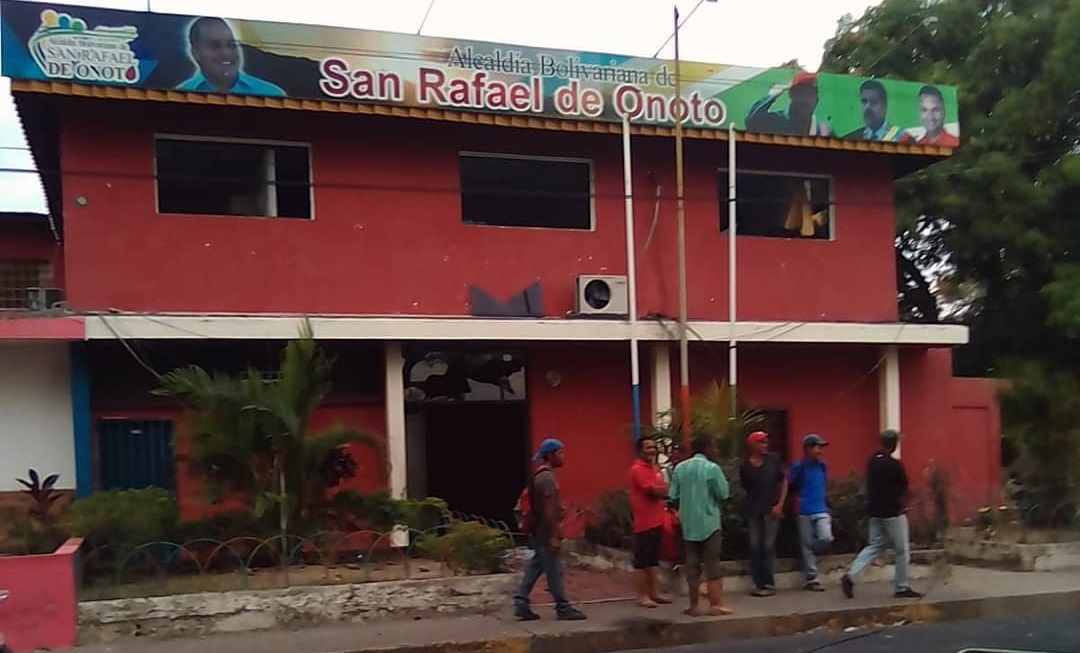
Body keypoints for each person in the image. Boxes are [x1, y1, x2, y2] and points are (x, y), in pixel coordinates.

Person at [841, 430, 924, 599]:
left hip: (875, 511)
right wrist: (905, 503)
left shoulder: (872, 461)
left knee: (874, 545)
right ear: (894, 444)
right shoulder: (894, 465)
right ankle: (901, 587)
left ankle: (851, 575)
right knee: (902, 550)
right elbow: (904, 487)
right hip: (893, 512)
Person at [512, 439, 587, 621]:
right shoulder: (547, 478)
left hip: (539, 531)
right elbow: (548, 509)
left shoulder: (540, 475)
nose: (563, 456)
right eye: (560, 452)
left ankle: (521, 602)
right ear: (551, 454)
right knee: (554, 570)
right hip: (546, 532)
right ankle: (563, 607)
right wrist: (554, 534)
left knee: (536, 565)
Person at [668, 433, 732, 617]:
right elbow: (723, 493)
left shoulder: (680, 469)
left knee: (691, 566)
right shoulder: (712, 468)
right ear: (707, 448)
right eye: (713, 446)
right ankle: (715, 605)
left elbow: (672, 496)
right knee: (712, 564)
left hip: (688, 524)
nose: (715, 450)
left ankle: (694, 606)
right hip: (709, 521)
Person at [177, 17, 286, 96]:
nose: (226, 53)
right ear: (195, 53)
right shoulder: (182, 94)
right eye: (215, 46)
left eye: (231, 45)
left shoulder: (271, 94)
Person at [738, 431, 788, 597]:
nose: (765, 445)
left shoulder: (773, 460)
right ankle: (757, 582)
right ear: (753, 445)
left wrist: (780, 505)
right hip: (754, 511)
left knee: (768, 546)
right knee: (755, 546)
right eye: (761, 442)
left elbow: (784, 480)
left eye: (766, 442)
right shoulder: (745, 466)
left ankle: (768, 583)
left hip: (771, 510)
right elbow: (746, 488)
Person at [628, 436, 673, 608]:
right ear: (640, 450)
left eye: (654, 447)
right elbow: (653, 491)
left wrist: (661, 490)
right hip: (644, 522)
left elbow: (663, 489)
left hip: (657, 520)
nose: (652, 450)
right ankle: (642, 596)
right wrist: (660, 490)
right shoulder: (637, 469)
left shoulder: (655, 469)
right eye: (648, 447)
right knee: (642, 560)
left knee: (653, 560)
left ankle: (654, 593)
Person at [789, 433, 834, 591]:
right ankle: (811, 579)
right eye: (817, 447)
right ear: (808, 449)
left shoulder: (822, 465)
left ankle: (811, 553)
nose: (820, 451)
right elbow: (790, 485)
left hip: (820, 508)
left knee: (826, 537)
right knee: (805, 545)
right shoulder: (798, 467)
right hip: (804, 509)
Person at [745, 71, 833, 136]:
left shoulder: (822, 130)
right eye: (800, 93)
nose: (805, 99)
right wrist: (771, 96)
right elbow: (752, 121)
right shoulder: (779, 121)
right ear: (791, 95)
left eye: (810, 94)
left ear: (816, 100)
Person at [843, 80, 914, 143]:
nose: (867, 107)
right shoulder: (852, 139)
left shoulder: (903, 139)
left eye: (874, 101)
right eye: (864, 101)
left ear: (885, 106)